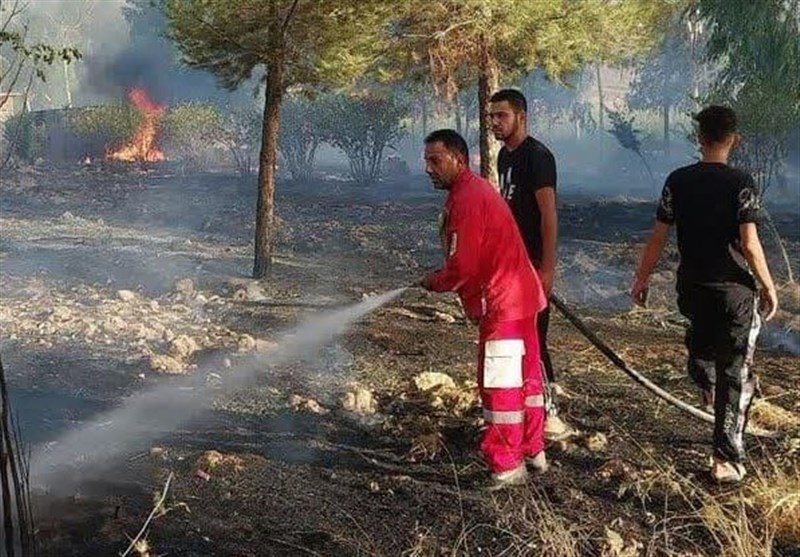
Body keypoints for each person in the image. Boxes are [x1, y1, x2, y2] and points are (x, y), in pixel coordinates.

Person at [631, 105, 778, 483]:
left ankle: (706, 378)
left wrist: (642, 279)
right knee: (735, 373)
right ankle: (725, 460)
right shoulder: (741, 182)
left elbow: (658, 238)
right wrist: (768, 285)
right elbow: (750, 243)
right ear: (735, 140)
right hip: (734, 294)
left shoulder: (677, 181)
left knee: (704, 348)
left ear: (699, 139)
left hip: (692, 291)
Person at [418, 129, 549, 490]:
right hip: (521, 298)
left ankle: (508, 465)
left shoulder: (466, 198)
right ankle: (533, 449)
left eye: (435, 160)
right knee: (527, 379)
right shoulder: (472, 190)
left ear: (460, 159)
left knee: (500, 385)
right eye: (426, 160)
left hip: (503, 304)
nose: (428, 168)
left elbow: (464, 266)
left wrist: (436, 281)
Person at [489, 88, 573, 441]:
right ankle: (520, 407)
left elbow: (548, 215)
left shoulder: (538, 157)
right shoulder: (504, 157)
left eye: (502, 116)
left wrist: (547, 269)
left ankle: (549, 411)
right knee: (515, 340)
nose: (495, 123)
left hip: (533, 266)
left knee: (535, 338)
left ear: (521, 117)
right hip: (510, 266)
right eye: (491, 116)